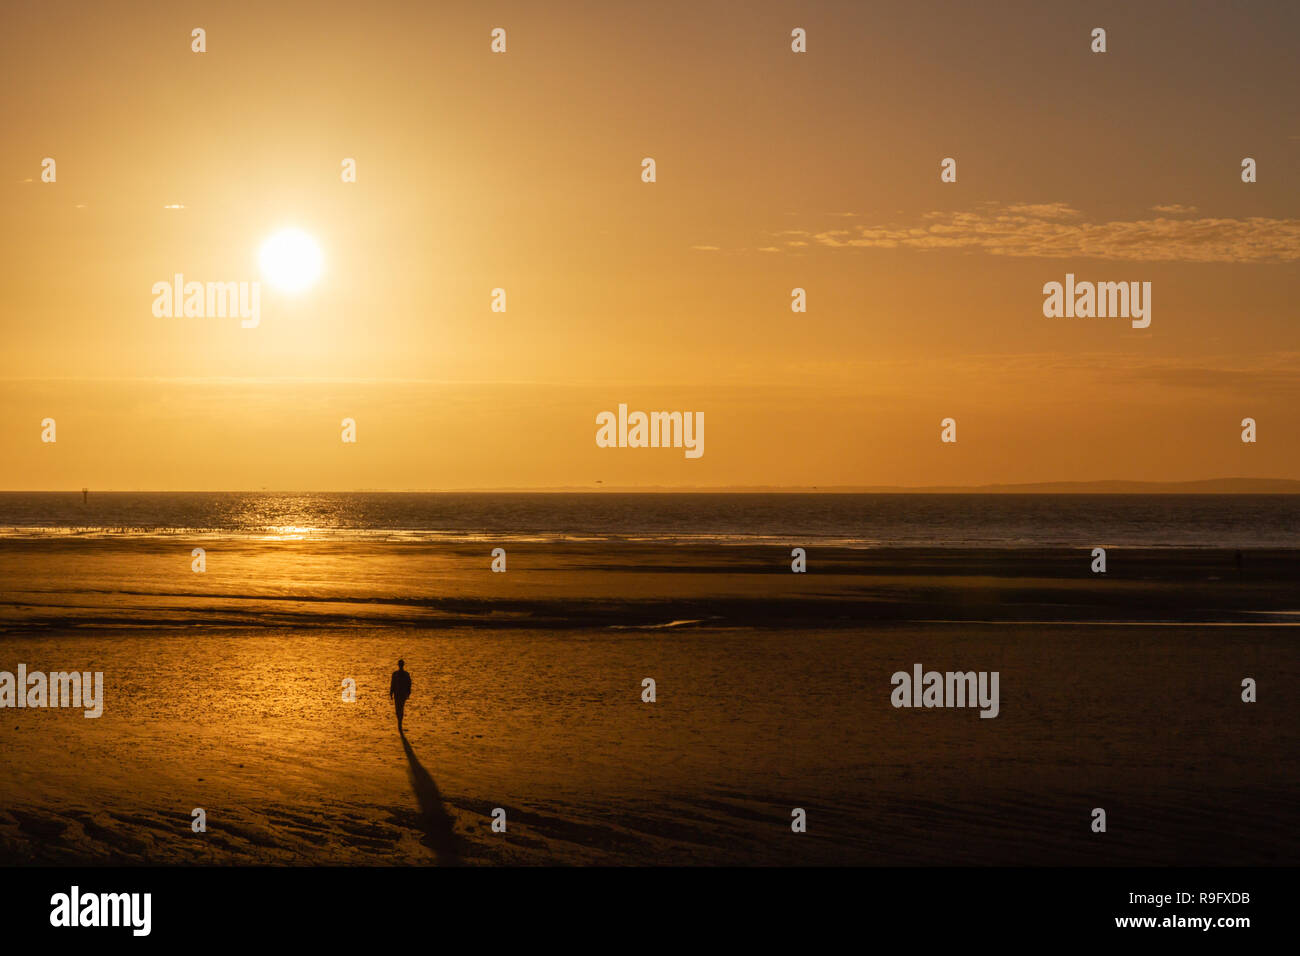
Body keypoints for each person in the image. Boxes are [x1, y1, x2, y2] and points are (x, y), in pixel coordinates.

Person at [389, 659, 412, 732]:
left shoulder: (405, 674)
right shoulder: (395, 674)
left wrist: (408, 693)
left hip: (402, 694)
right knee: (398, 709)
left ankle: (399, 723)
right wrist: (391, 692)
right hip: (398, 694)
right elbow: (392, 684)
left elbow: (409, 685)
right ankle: (399, 722)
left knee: (400, 708)